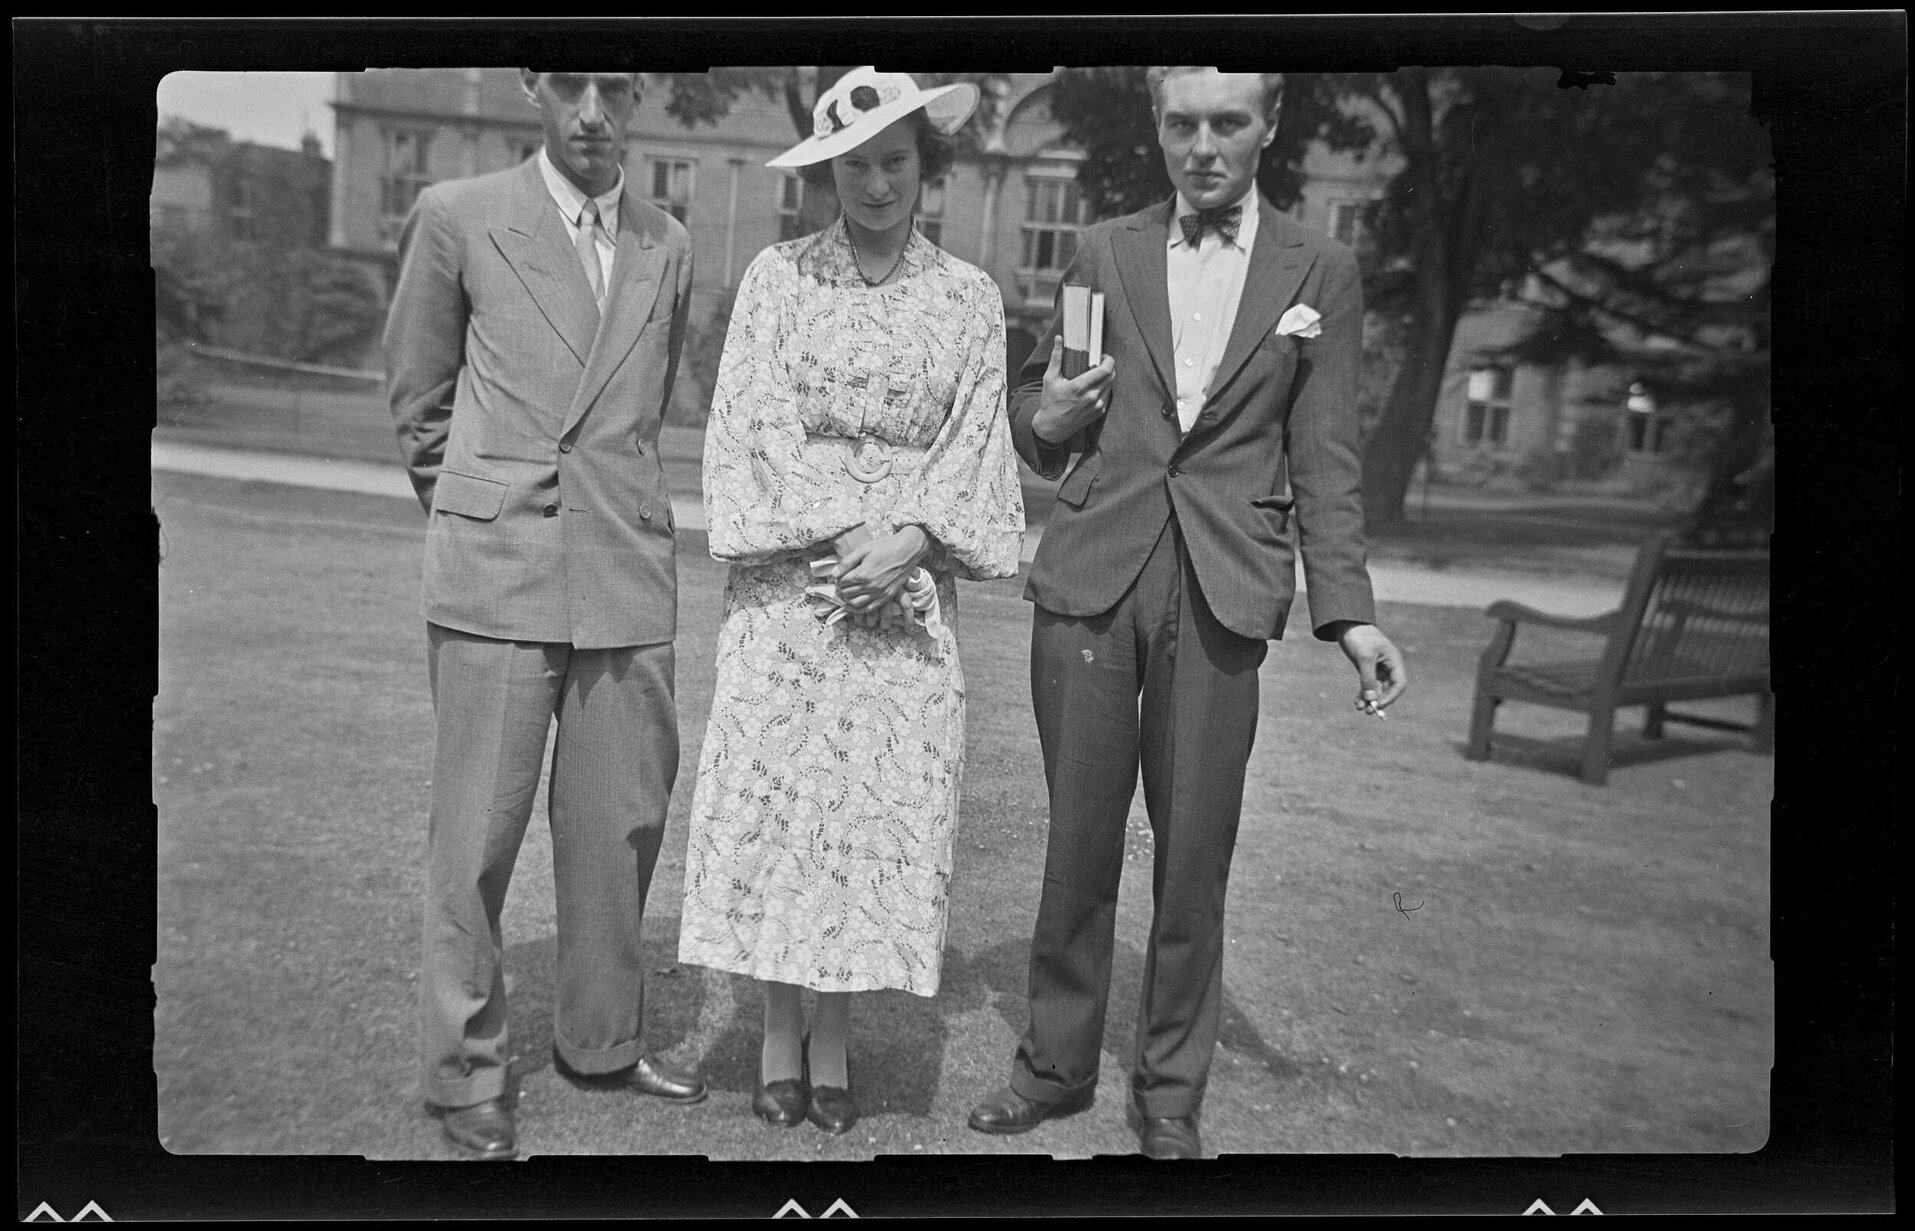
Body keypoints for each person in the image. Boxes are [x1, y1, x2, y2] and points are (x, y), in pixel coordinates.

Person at [966, 67, 1408, 1160]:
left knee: (1194, 854)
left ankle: (1168, 1092)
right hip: (1092, 577)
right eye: (1181, 124)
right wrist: (1048, 415)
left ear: (1269, 126)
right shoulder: (1103, 252)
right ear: (1158, 128)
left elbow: (1328, 456)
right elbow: (1040, 402)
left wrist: (1347, 612)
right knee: (1075, 842)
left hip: (1220, 590)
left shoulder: (1322, 269)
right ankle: (1053, 1068)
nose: (1201, 146)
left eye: (1226, 123)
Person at [676, 67, 1025, 1136]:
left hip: (904, 601)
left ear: (928, 168)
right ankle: (781, 1035)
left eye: (894, 162)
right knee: (785, 812)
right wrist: (845, 532)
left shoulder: (969, 299)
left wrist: (909, 539)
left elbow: (975, 446)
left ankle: (836, 1037)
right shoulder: (779, 281)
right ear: (826, 173)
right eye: (854, 166)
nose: (874, 184)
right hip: (792, 593)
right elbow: (750, 429)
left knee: (868, 821)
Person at [385, 70, 706, 1162]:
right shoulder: (458, 215)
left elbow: (641, 412)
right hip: (497, 570)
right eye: (569, 84)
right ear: (533, 85)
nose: (591, 112)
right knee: (474, 837)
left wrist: (598, 516)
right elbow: (419, 403)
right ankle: (465, 1072)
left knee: (619, 830)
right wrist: (485, 509)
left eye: (614, 87)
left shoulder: (667, 240)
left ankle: (601, 1039)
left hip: (623, 573)